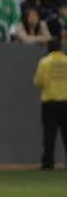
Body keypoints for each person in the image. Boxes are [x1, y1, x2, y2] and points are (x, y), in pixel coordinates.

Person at [33, 39, 67, 171]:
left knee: (49, 135)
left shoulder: (44, 62)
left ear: (49, 48)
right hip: (66, 101)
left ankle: (48, 163)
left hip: (49, 102)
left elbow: (38, 82)